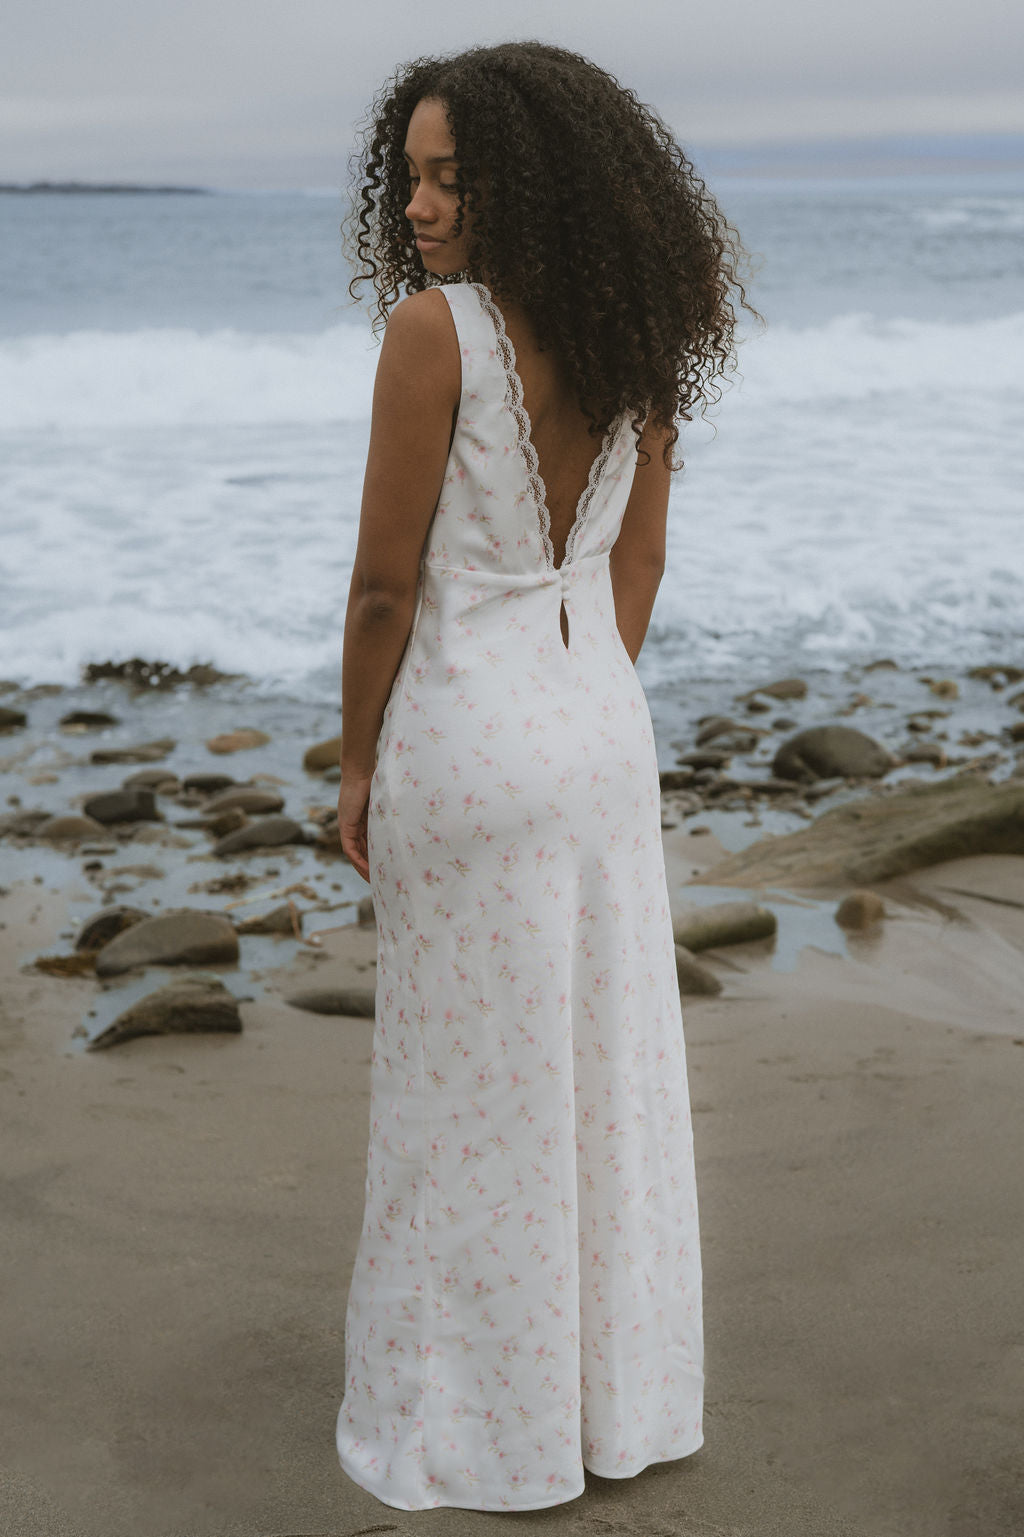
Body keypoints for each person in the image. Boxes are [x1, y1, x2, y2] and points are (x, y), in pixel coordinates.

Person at [334, 40, 751, 1512]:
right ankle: (610, 1409)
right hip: (598, 734)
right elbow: (635, 561)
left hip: (467, 743)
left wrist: (360, 756)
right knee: (605, 1084)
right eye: (416, 177)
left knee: (469, 1102)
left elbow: (388, 589)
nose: (426, 205)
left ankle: (475, 1430)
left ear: (526, 182)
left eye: (453, 176)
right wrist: (580, 691)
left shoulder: (432, 334)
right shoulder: (639, 324)